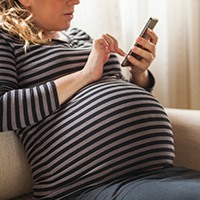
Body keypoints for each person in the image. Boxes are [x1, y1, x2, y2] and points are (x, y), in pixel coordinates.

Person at [0, 0, 200, 200]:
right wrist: (84, 75)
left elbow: (112, 97)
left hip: (158, 174)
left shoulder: (79, 36)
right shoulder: (6, 39)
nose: (76, 1)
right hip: (89, 186)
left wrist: (139, 75)